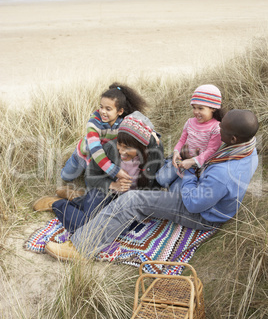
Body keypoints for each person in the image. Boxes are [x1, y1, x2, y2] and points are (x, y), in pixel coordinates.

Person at [45, 109, 259, 261]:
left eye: (222, 128)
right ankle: (79, 200)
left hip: (202, 213)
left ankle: (82, 248)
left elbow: (194, 204)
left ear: (232, 137)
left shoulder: (223, 173)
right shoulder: (247, 146)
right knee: (162, 173)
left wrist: (190, 169)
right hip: (206, 194)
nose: (217, 128)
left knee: (132, 200)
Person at [34, 111, 164, 235]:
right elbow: (90, 176)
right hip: (104, 193)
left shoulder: (154, 153)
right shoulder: (109, 148)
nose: (121, 151)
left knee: (123, 229)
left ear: (142, 147)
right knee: (86, 226)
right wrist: (113, 185)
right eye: (120, 144)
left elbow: (156, 183)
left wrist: (146, 207)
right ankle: (57, 204)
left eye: (128, 147)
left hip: (126, 203)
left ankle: (78, 199)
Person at [60, 82, 148, 187]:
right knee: (66, 177)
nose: (103, 111)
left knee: (91, 186)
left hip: (101, 159)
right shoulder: (94, 122)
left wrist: (153, 134)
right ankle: (72, 161)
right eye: (101, 107)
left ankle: (91, 171)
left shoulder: (123, 122)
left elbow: (140, 127)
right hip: (84, 155)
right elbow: (95, 151)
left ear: (120, 111)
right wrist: (115, 171)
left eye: (108, 109)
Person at [156, 84, 225, 192]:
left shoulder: (216, 128)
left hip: (196, 167)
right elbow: (182, 140)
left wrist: (192, 161)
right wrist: (176, 152)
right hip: (182, 160)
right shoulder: (190, 122)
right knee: (160, 180)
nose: (196, 112)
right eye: (194, 107)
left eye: (201, 108)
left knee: (174, 192)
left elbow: (211, 151)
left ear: (213, 108)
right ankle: (168, 167)